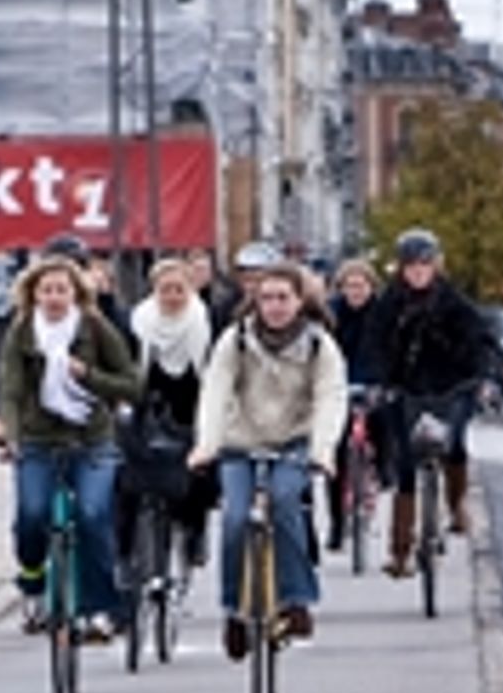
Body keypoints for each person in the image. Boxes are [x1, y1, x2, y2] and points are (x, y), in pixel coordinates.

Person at [189, 261, 348, 659]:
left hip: (293, 442)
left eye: (283, 298)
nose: (275, 306)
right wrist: (206, 443)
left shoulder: (318, 345)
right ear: (254, 302)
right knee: (234, 520)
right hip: (240, 441)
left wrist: (323, 450)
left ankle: (295, 599)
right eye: (266, 298)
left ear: (299, 301)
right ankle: (233, 612)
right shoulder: (236, 340)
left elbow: (330, 398)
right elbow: (215, 391)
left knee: (285, 503)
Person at [0, 253, 143, 642]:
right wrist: (10, 434)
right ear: (33, 295)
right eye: (47, 290)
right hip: (38, 439)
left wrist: (88, 375)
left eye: (62, 289)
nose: (55, 298)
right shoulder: (22, 332)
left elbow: (131, 383)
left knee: (93, 516)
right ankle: (32, 580)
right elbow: (10, 389)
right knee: (32, 514)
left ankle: (98, 609)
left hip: (90, 438)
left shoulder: (94, 328)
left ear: (76, 293)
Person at [372, 227, 494, 572]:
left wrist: (481, 377)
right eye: (410, 266)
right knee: (406, 465)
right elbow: (376, 343)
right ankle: (400, 551)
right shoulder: (390, 304)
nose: (417, 272)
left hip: (451, 386)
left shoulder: (454, 302)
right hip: (405, 388)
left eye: (424, 265)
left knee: (453, 444)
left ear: (436, 266)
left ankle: (456, 506)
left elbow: (480, 341)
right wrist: (380, 381)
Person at [126, 258, 221, 571]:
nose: (172, 296)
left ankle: (195, 528)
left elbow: (212, 370)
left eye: (179, 289)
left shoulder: (203, 320)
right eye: (165, 290)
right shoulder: (140, 321)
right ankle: (140, 546)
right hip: (150, 398)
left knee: (196, 471)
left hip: (193, 398)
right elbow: (131, 366)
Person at [325, 258, 384, 553]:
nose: (355, 292)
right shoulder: (332, 314)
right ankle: (336, 523)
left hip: (374, 381)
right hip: (340, 384)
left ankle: (384, 471)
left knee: (385, 424)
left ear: (371, 287)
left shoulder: (382, 313)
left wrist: (385, 381)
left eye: (361, 286)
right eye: (350, 286)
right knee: (334, 453)